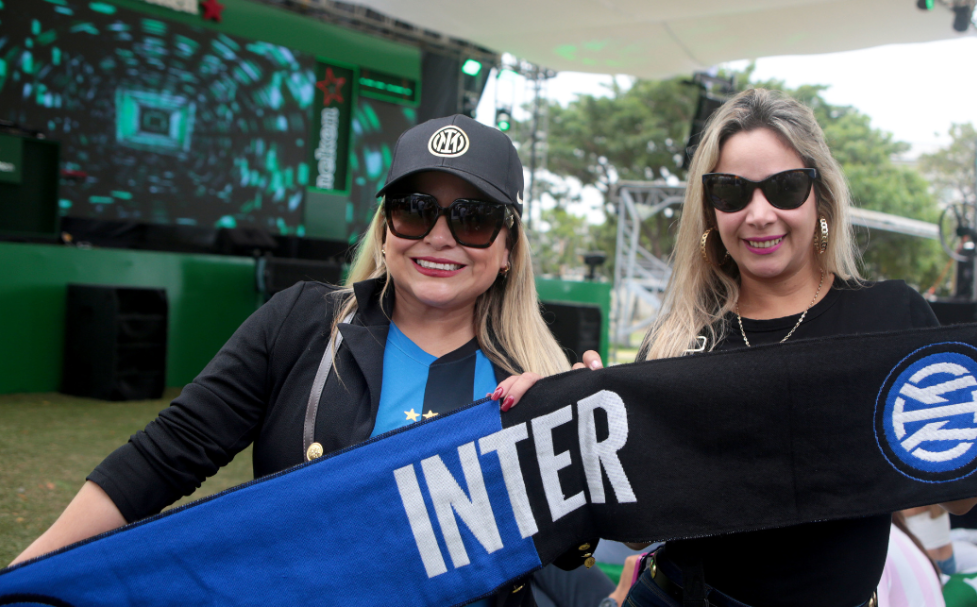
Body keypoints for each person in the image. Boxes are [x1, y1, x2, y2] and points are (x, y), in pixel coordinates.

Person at [526, 89, 977, 607]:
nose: (759, 214)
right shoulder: (677, 337)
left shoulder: (890, 318)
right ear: (710, 211)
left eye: (784, 188)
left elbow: (957, 497)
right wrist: (573, 418)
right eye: (732, 192)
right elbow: (636, 520)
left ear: (821, 197)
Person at [12, 115, 581, 605]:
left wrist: (583, 432)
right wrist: (22, 579)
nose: (439, 236)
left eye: (473, 218)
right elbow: (165, 456)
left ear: (507, 249)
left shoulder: (537, 382)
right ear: (385, 232)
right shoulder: (302, 323)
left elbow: (583, 549)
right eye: (414, 210)